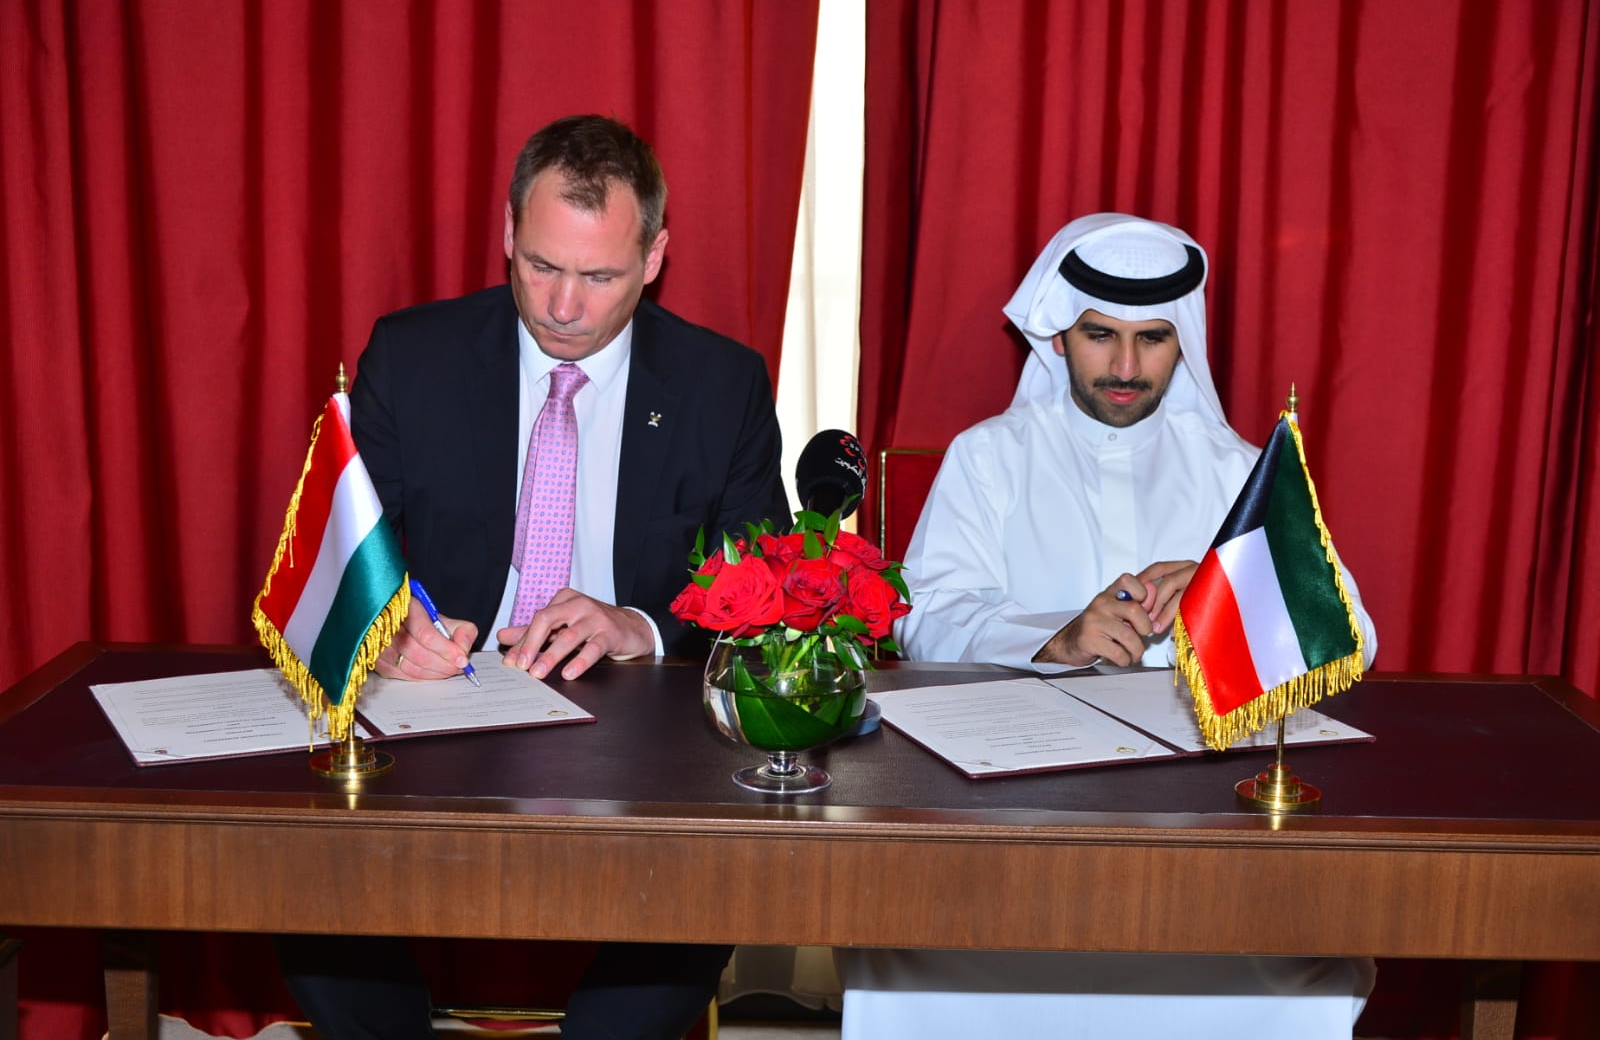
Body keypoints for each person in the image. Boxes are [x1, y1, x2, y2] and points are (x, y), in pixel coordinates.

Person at [276, 114, 788, 1040]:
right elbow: (346, 550)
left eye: (600, 277)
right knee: (304, 873)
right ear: (508, 233)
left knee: (705, 876)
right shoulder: (414, 354)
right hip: (438, 713)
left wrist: (645, 624)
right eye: (542, 265)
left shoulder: (724, 384)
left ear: (656, 256)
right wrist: (383, 624)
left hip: (642, 735)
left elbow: (769, 597)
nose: (562, 305)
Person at [840, 213, 1377, 1039]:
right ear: (1058, 336)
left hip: (1201, 823)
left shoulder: (1237, 469)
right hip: (1017, 813)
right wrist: (1057, 639)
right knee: (918, 950)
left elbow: (1353, 637)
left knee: (1289, 963)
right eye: (1100, 335)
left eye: (1153, 339)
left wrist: (1228, 586)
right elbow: (925, 622)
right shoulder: (988, 456)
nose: (1125, 367)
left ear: (1181, 343)